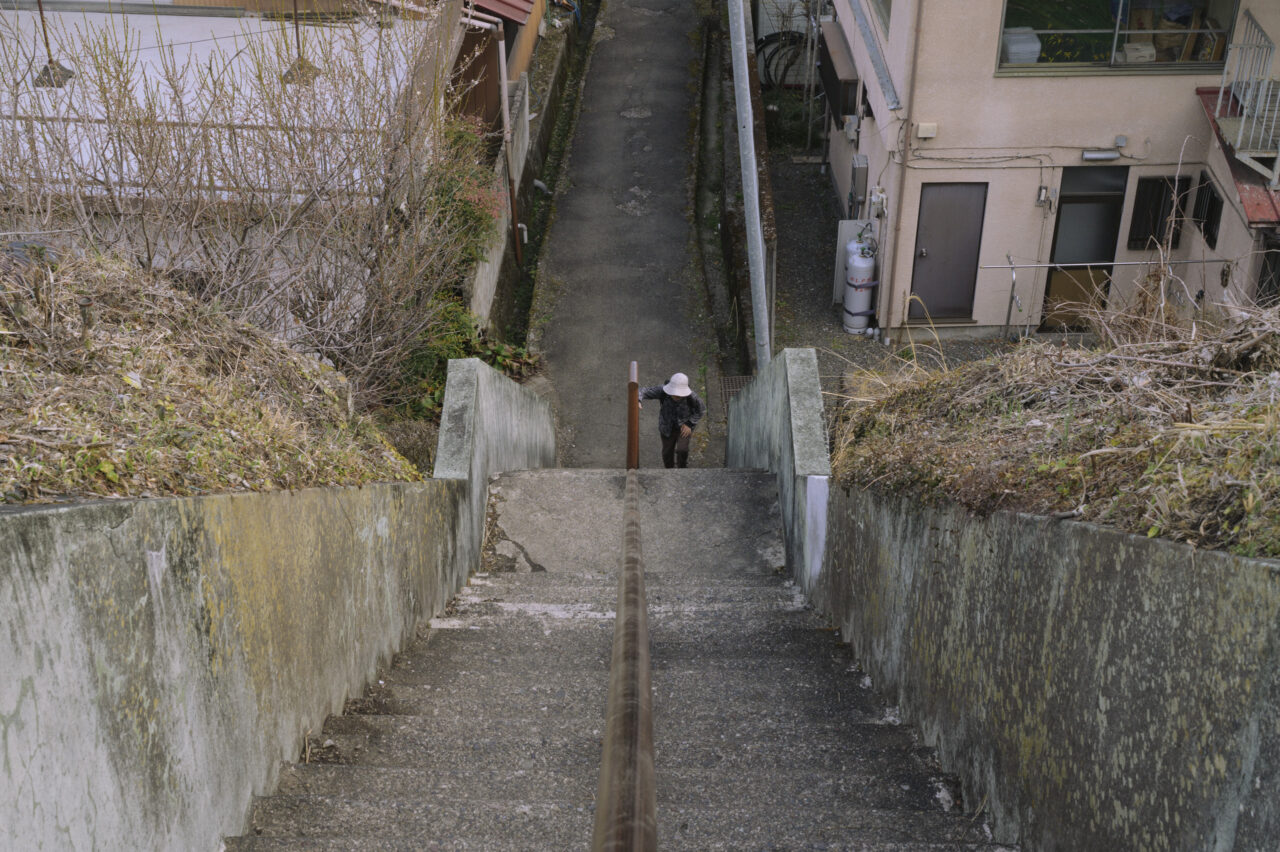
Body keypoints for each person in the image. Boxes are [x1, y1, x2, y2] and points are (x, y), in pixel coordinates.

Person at [637, 372, 705, 469]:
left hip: (684, 427)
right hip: (666, 427)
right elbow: (642, 391)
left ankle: (682, 469)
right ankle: (669, 471)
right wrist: (638, 400)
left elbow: (701, 409)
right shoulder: (662, 391)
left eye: (679, 394)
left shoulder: (692, 396)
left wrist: (690, 424)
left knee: (682, 450)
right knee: (667, 452)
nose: (676, 396)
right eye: (674, 393)